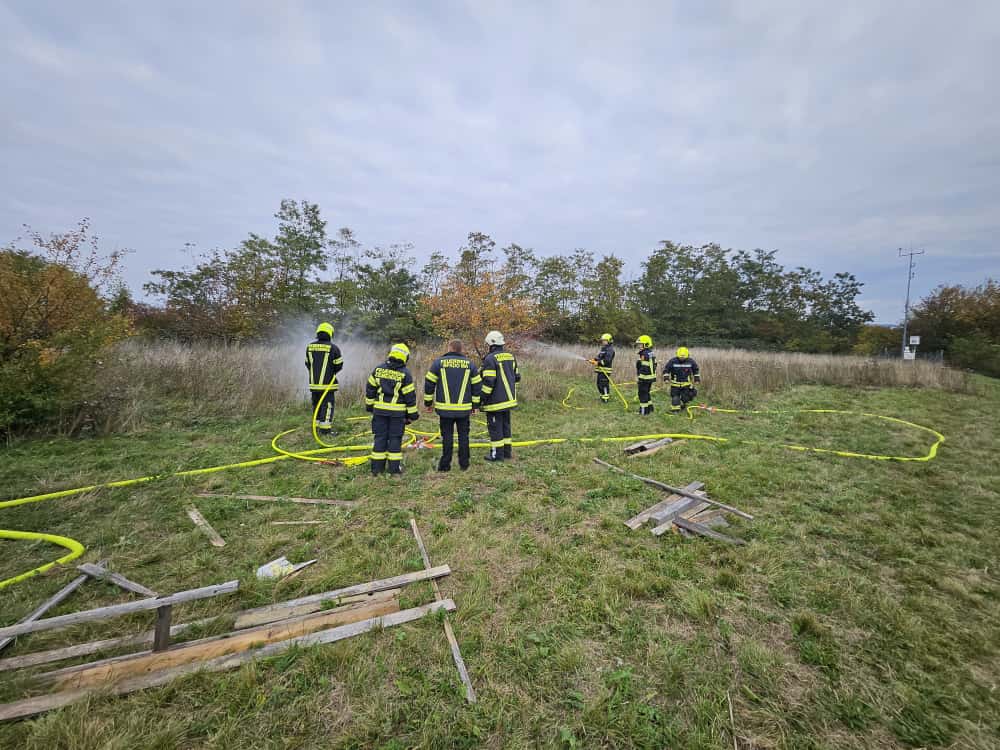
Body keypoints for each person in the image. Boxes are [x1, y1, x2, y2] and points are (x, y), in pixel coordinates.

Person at [424, 340, 482, 472]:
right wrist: (475, 405)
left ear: (449, 348)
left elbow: (429, 383)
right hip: (464, 409)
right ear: (461, 349)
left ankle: (445, 465)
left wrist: (428, 403)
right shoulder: (470, 365)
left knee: (447, 437)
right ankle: (464, 464)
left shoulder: (438, 363)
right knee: (463, 436)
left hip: (444, 409)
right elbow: (477, 386)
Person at [365, 343, 418, 475]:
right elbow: (410, 397)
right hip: (397, 414)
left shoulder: (378, 369)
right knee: (395, 439)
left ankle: (377, 469)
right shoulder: (405, 374)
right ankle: (394, 470)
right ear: (405, 357)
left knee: (380, 438)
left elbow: (370, 389)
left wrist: (370, 406)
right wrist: (412, 415)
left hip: (379, 412)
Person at [480, 330, 520, 462]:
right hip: (509, 400)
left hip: (495, 402)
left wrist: (481, 398)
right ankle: (507, 453)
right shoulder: (510, 356)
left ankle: (496, 455)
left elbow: (489, 382)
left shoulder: (490, 359)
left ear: (491, 344)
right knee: (505, 427)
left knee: (495, 428)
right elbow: (517, 377)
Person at [305, 322, 343, 434]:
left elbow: (307, 363)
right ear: (330, 333)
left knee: (316, 405)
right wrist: (330, 372)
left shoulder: (310, 347)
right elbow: (339, 365)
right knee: (327, 406)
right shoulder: (334, 348)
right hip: (327, 385)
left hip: (314, 384)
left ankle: (316, 427)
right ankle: (325, 431)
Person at [662, 346, 700, 415]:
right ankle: (675, 410)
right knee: (675, 397)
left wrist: (697, 379)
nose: (682, 358)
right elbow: (666, 370)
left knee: (685, 397)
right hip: (675, 384)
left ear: (687, 355)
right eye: (680, 357)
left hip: (686, 384)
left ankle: (683, 405)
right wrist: (666, 378)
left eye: (683, 357)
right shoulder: (672, 361)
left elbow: (696, 370)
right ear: (677, 355)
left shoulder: (691, 361)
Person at [634, 335, 657, 415]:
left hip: (645, 378)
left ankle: (643, 412)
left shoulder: (644, 354)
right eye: (638, 344)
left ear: (646, 344)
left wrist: (640, 377)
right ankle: (650, 408)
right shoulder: (650, 353)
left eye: (640, 345)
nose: (639, 346)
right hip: (650, 378)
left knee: (642, 394)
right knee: (646, 392)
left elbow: (643, 368)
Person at [589, 333, 615, 403]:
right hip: (600, 370)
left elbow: (607, 360)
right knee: (599, 384)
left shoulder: (610, 350)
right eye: (602, 340)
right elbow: (599, 356)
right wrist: (594, 359)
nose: (603, 342)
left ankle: (605, 399)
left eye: (604, 340)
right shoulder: (604, 349)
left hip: (606, 371)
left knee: (604, 384)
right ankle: (602, 396)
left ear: (609, 341)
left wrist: (598, 363)